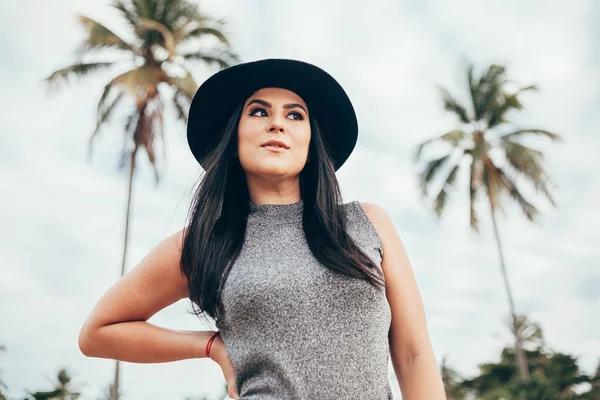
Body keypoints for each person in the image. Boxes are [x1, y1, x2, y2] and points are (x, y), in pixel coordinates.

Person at [78, 58, 446, 400]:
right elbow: (98, 332)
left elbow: (413, 354)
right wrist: (210, 347)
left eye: (295, 115)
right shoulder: (204, 242)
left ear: (310, 143)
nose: (277, 123)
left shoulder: (366, 223)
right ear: (234, 138)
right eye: (258, 111)